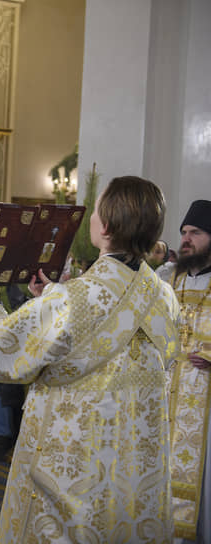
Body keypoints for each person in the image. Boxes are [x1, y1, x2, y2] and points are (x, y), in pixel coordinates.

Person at [0, 176, 179, 543]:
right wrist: (50, 293)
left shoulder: (70, 300)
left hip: (74, 460)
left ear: (107, 226)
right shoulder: (164, 295)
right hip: (133, 462)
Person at [156, 199, 211, 542]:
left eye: (196, 232)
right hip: (164, 395)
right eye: (184, 232)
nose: (186, 239)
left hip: (205, 400)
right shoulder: (165, 279)